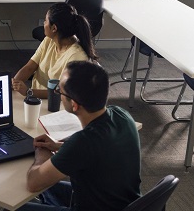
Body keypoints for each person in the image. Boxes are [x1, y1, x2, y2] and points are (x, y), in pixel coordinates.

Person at [20, 61, 141, 210]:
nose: (58, 93)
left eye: (60, 91)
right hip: (123, 202)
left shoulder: (83, 142)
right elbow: (100, 149)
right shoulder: (121, 115)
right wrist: (59, 146)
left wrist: (41, 153)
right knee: (49, 187)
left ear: (75, 105)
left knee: (14, 206)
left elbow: (33, 183)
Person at [12, 2, 98, 99]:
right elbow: (30, 67)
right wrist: (14, 84)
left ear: (54, 28)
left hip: (56, 104)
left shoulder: (77, 57)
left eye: (45, 20)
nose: (44, 23)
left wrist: (28, 92)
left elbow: (62, 93)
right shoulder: (49, 40)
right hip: (35, 97)